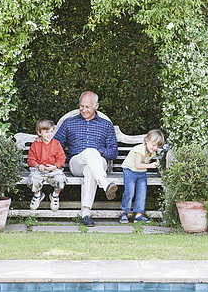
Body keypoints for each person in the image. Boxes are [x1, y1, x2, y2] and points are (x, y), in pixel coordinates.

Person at [54, 91, 118, 227]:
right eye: (81, 106)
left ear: (96, 106)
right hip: (76, 162)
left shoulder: (106, 125)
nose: (83, 110)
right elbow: (55, 146)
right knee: (89, 153)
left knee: (91, 165)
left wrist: (98, 152)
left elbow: (113, 152)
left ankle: (85, 213)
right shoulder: (69, 123)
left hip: (99, 163)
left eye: (87, 107)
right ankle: (105, 184)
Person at [119, 129, 164, 224]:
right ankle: (124, 212)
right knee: (129, 192)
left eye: (158, 146)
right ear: (147, 141)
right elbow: (137, 165)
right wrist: (151, 166)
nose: (155, 147)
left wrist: (157, 162)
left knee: (142, 193)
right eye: (153, 144)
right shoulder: (139, 149)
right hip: (130, 170)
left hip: (141, 172)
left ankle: (138, 215)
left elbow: (151, 161)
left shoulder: (152, 152)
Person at [27, 118, 66, 212]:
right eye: (46, 132)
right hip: (39, 169)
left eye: (51, 131)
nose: (50, 134)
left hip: (53, 169)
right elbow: (30, 159)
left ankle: (55, 195)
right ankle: (38, 195)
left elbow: (61, 158)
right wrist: (37, 165)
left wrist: (55, 166)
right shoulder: (36, 144)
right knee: (33, 179)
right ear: (39, 132)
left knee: (61, 179)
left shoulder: (56, 144)